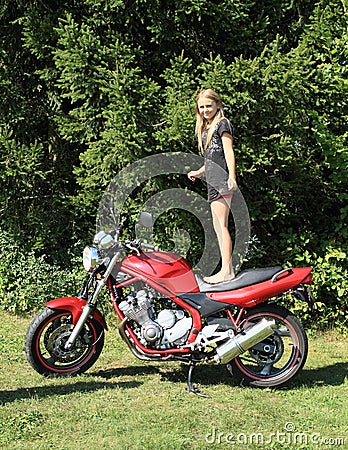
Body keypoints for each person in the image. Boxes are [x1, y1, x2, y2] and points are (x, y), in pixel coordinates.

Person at [188, 89, 237, 284]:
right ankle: (226, 269)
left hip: (222, 179)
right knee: (218, 226)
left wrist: (232, 176)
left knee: (221, 225)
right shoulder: (206, 128)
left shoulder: (222, 124)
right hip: (212, 180)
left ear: (218, 105)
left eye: (209, 105)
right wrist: (199, 172)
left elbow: (228, 151)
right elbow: (211, 159)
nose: (205, 110)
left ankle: (227, 270)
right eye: (202, 107)